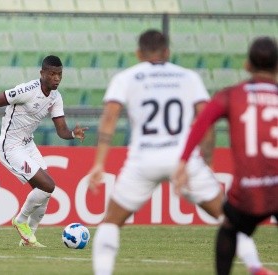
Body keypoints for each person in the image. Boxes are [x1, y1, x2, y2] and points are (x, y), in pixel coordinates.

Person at [86, 29, 264, 275]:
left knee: (111, 223)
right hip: (183, 161)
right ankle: (255, 267)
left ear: (138, 53)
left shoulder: (126, 77)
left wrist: (99, 163)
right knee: (230, 219)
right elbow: (206, 120)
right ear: (167, 52)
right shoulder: (188, 77)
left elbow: (109, 118)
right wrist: (208, 162)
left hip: (143, 160)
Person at [173, 36, 278, 275]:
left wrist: (183, 161)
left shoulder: (232, 95)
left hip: (251, 188)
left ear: (247, 66)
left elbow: (202, 123)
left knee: (229, 228)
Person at [0, 55, 87, 247]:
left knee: (45, 192)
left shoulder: (55, 97)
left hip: (28, 145)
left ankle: (29, 239)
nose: (57, 78)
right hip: (10, 147)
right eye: (52, 74)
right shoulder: (27, 91)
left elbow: (61, 131)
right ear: (42, 73)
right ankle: (20, 220)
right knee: (48, 186)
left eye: (59, 74)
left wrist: (72, 135)